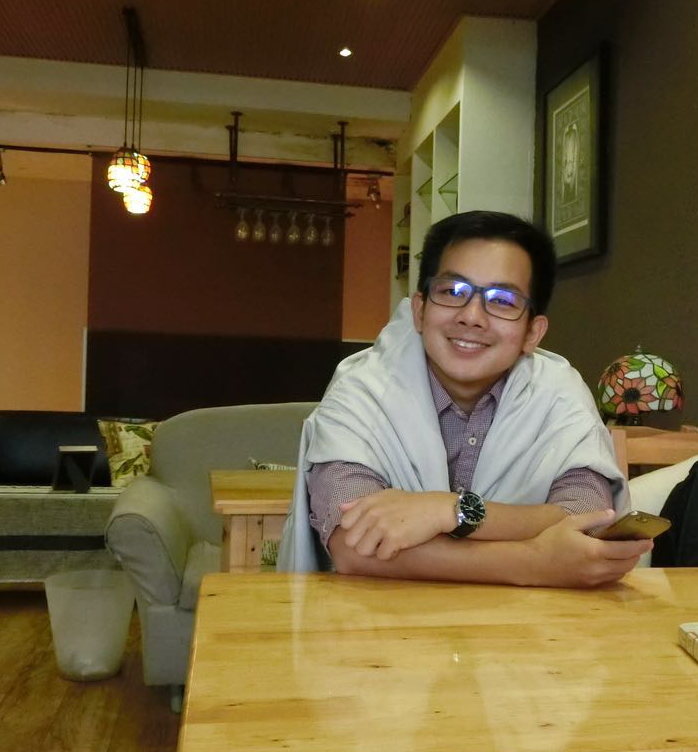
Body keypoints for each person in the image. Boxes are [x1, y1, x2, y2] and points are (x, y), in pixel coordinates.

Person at [277, 210, 647, 587]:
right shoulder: (361, 389)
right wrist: (534, 561)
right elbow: (354, 546)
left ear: (532, 333)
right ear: (420, 310)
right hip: (378, 617)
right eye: (452, 292)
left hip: (526, 621)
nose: (472, 316)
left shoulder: (559, 393)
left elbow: (589, 518)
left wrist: (449, 511)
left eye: (503, 300)